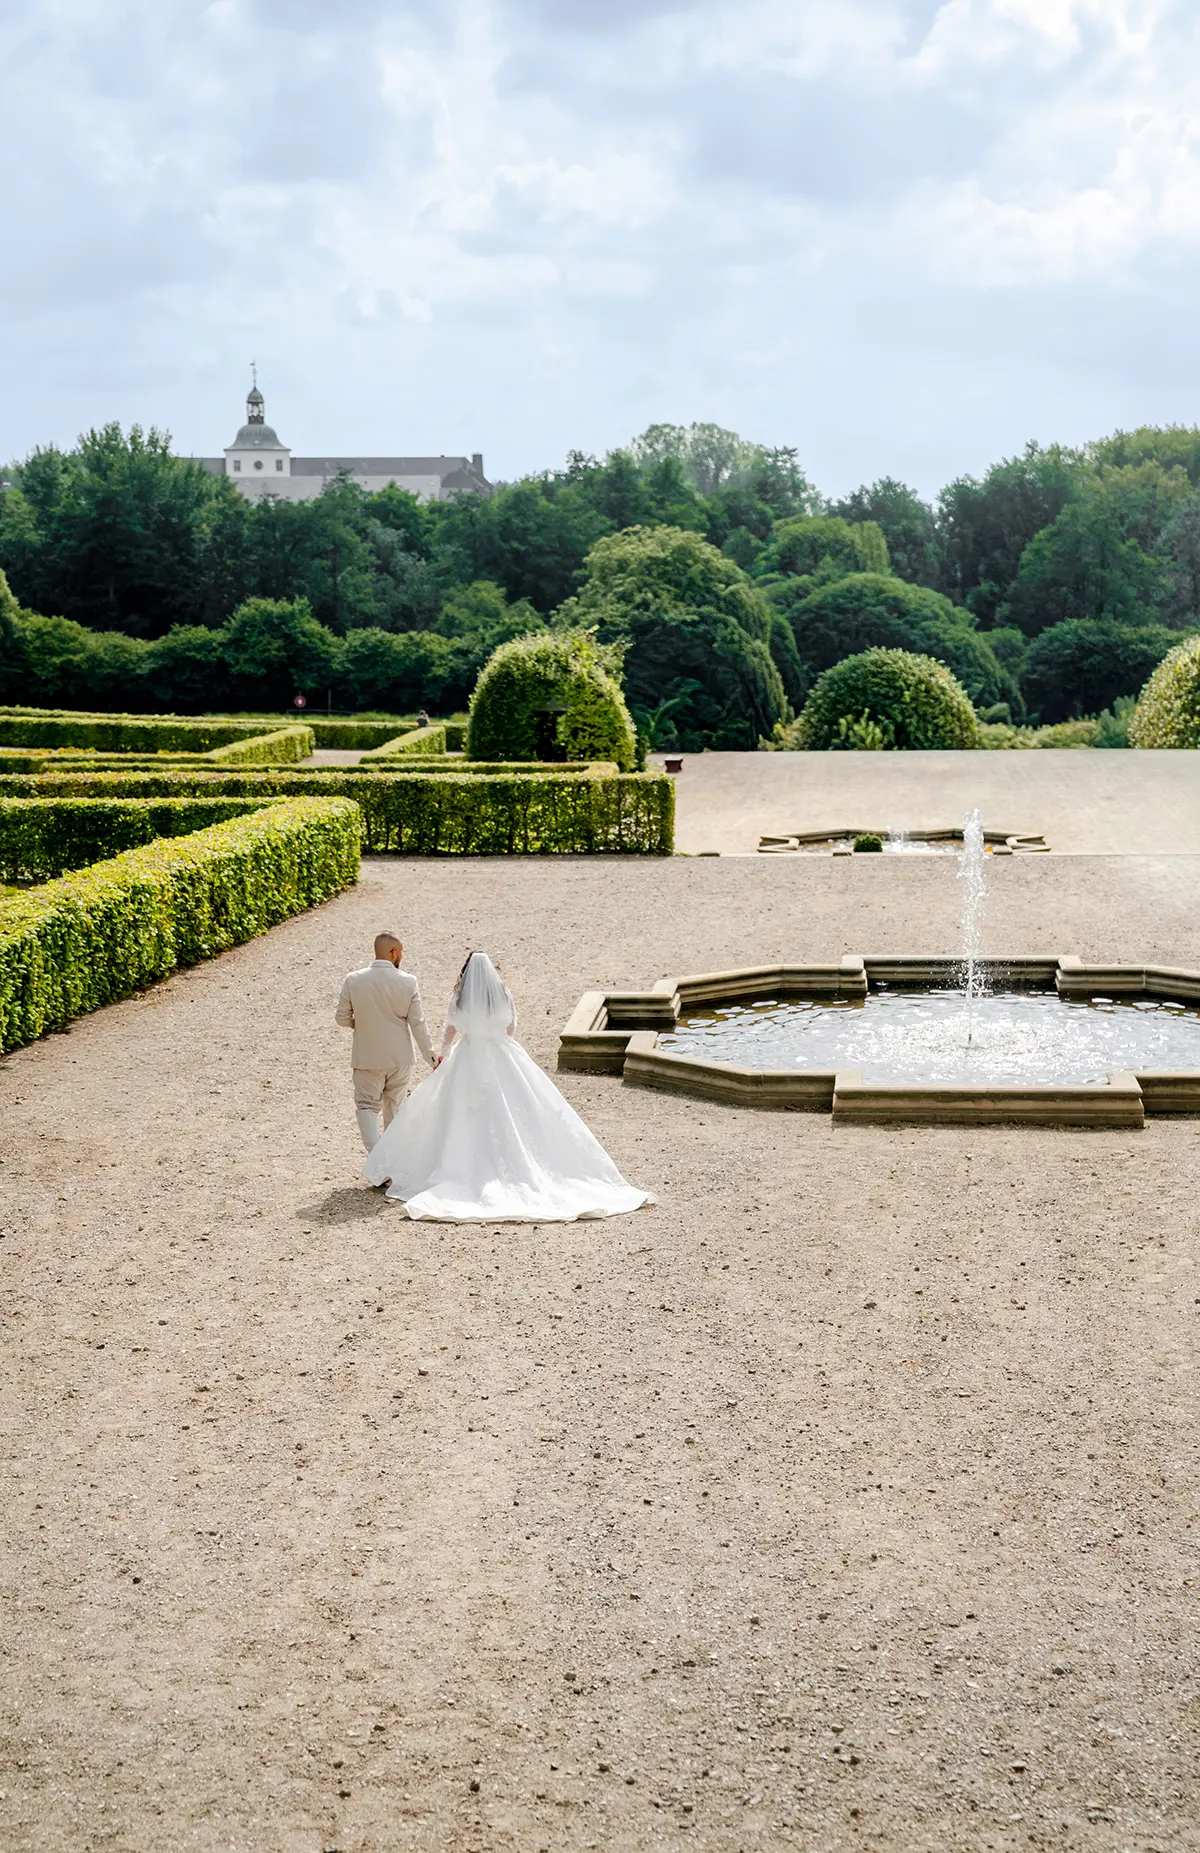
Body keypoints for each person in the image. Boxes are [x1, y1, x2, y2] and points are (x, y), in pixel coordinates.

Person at [363, 951, 653, 1222]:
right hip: (501, 1052)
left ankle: (455, 1166)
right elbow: (512, 1027)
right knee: (522, 1109)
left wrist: (443, 1053)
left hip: (468, 1055)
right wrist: (498, 1038)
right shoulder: (503, 994)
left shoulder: (460, 998)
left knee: (457, 1111)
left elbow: (449, 1030)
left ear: (466, 973)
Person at [335, 933, 437, 1151]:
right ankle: (391, 1162)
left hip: (367, 1057)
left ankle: (377, 1161)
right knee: (395, 1107)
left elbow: (341, 1018)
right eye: (401, 952)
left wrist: (362, 1024)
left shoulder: (353, 979)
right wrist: (431, 1057)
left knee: (366, 1106)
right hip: (400, 1058)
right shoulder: (408, 982)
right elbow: (418, 1024)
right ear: (394, 952)